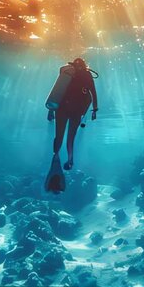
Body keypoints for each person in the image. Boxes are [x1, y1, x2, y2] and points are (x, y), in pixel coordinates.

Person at [44, 58, 98, 193]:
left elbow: (57, 92)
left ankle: (55, 155)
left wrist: (51, 110)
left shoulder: (67, 73)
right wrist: (95, 109)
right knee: (71, 138)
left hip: (61, 108)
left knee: (59, 135)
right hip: (76, 111)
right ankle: (70, 160)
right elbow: (93, 92)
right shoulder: (87, 75)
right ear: (85, 65)